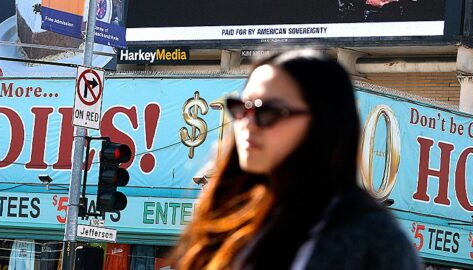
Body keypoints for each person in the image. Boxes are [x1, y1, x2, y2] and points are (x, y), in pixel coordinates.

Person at [171, 49, 420, 269]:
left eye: (267, 111)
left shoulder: (374, 237)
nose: (247, 124)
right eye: (241, 108)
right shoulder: (226, 215)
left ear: (324, 122)